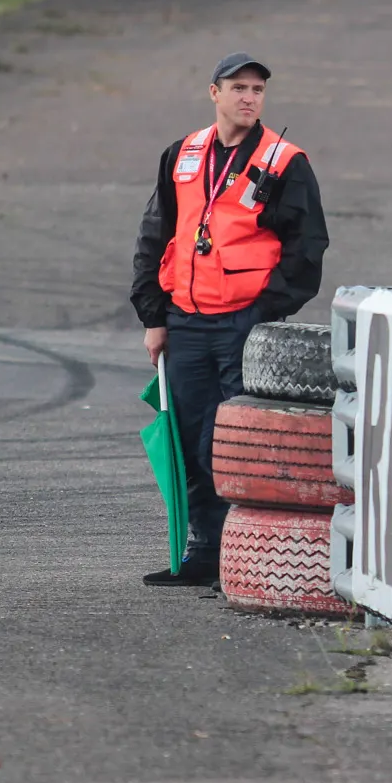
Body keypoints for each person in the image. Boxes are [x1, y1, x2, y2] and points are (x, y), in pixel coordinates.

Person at [130, 52, 329, 587]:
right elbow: (156, 235)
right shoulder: (183, 154)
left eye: (257, 90)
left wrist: (262, 313)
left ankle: (238, 558)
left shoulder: (285, 161)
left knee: (229, 441)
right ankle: (202, 553)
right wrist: (155, 315)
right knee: (189, 436)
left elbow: (307, 248)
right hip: (186, 322)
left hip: (243, 325)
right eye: (238, 87)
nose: (249, 98)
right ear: (213, 93)